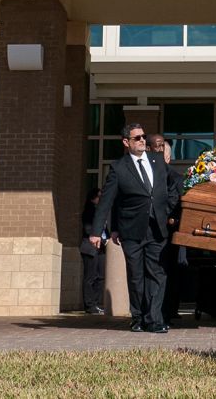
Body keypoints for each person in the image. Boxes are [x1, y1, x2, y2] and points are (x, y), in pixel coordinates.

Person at [90, 121, 181, 333]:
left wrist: (169, 209)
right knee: (137, 276)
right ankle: (138, 317)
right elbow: (107, 201)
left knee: (157, 274)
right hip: (131, 230)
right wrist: (97, 231)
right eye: (137, 138)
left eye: (143, 137)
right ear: (126, 142)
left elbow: (177, 182)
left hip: (158, 228)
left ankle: (155, 319)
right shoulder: (118, 168)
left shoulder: (158, 161)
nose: (142, 141)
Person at [151, 134, 184, 326]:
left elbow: (176, 203)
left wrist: (171, 217)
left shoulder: (175, 178)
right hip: (148, 232)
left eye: (161, 152)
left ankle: (164, 313)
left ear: (168, 157)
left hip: (168, 234)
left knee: (166, 274)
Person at [79, 188, 107, 314]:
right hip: (90, 248)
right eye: (99, 197)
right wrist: (98, 237)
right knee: (90, 276)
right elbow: (88, 229)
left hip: (101, 248)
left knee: (100, 277)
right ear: (93, 199)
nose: (101, 200)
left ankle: (96, 303)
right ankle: (89, 305)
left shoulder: (102, 212)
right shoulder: (89, 212)